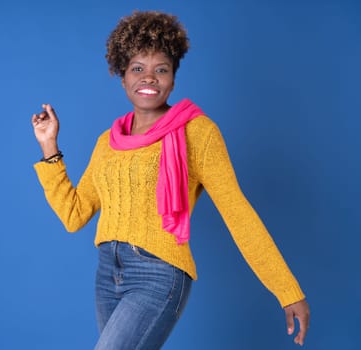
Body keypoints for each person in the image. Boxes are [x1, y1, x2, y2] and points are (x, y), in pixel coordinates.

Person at [31, 10, 310, 349]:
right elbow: (74, 215)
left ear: (173, 78)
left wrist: (286, 290)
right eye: (138, 68)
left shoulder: (198, 133)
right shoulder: (108, 141)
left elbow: (237, 212)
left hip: (158, 274)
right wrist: (50, 147)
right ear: (122, 76)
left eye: (160, 69)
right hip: (107, 275)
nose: (149, 78)